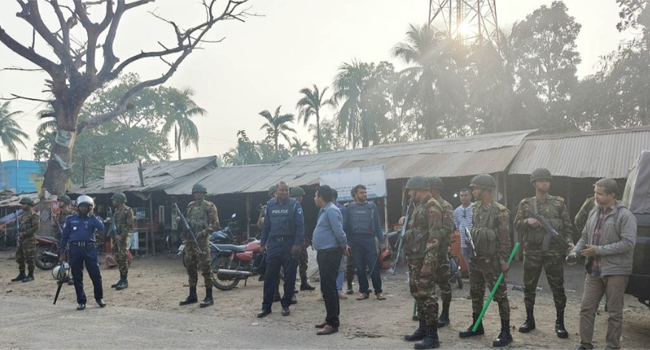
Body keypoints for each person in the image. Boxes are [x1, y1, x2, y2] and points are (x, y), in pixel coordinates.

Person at [568, 178, 637, 350]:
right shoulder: (594, 212)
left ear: (612, 195)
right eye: (595, 193)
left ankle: (612, 346)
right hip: (593, 270)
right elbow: (584, 236)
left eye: (600, 194)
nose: (596, 197)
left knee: (614, 312)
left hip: (615, 271)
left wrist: (598, 250)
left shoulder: (625, 216)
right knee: (586, 308)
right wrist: (575, 251)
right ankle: (585, 344)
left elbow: (628, 243)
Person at [513, 168, 575, 338]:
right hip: (531, 251)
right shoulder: (526, 204)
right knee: (529, 287)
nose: (544, 183)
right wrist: (528, 221)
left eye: (547, 180)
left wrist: (569, 242)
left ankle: (560, 322)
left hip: (553, 252)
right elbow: (516, 224)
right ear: (534, 183)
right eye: (541, 180)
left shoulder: (558, 203)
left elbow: (567, 226)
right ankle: (529, 319)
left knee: (557, 288)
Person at [459, 174, 513, 347]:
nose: (473, 191)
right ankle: (477, 326)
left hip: (493, 260)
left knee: (500, 295)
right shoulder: (474, 208)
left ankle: (506, 332)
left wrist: (504, 260)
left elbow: (505, 239)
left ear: (486, 190)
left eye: (476, 188)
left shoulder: (500, 211)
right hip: (476, 258)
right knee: (475, 293)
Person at [402, 176, 442, 349]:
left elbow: (434, 238)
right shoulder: (419, 207)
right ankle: (423, 328)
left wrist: (428, 262)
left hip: (424, 260)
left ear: (417, 189)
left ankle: (432, 336)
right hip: (414, 258)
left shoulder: (433, 207)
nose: (409, 194)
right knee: (418, 294)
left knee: (428, 297)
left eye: (410, 190)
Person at [258, 181, 305, 318]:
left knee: (289, 277)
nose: (284, 193)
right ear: (276, 191)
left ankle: (285, 304)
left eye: (286, 190)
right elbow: (266, 225)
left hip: (289, 245)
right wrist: (262, 242)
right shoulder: (270, 205)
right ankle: (266, 306)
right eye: (282, 190)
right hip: (274, 245)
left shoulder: (295, 205)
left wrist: (297, 244)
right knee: (269, 277)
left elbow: (300, 226)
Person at [313, 185, 350, 336]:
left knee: (328, 288)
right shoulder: (324, 210)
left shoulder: (332, 210)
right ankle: (331, 318)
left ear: (321, 197)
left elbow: (339, 232)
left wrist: (344, 247)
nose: (314, 198)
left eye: (316, 196)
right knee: (328, 288)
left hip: (331, 253)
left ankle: (332, 323)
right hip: (324, 253)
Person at [59, 195, 106, 310]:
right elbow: (65, 237)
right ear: (78, 207)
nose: (84, 209)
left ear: (90, 208)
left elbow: (101, 228)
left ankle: (99, 298)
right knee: (77, 276)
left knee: (95, 275)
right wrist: (62, 252)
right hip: (75, 249)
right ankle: (81, 301)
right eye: (82, 206)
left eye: (87, 207)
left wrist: (93, 215)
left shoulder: (93, 219)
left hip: (90, 248)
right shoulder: (70, 219)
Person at [178, 183, 219, 308]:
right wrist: (181, 225)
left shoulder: (209, 206)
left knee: (206, 268)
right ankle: (192, 294)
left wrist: (204, 232)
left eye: (200, 193)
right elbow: (186, 222)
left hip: (202, 243)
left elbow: (215, 225)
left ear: (204, 194)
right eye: (196, 193)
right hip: (190, 242)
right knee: (191, 268)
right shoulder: (190, 206)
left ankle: (209, 296)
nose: (198, 195)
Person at [344, 184, 387, 301]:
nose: (364, 194)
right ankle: (364, 291)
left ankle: (378, 291)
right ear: (355, 195)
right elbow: (346, 227)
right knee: (359, 268)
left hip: (369, 240)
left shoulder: (372, 207)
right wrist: (347, 242)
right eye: (361, 193)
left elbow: (378, 225)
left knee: (374, 266)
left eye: (365, 192)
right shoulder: (349, 208)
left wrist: (382, 241)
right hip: (355, 241)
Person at [428, 177, 455, 328]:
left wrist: (432, 237)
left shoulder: (446, 206)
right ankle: (429, 313)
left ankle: (445, 314)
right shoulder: (427, 206)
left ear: (435, 190)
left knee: (444, 283)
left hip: (441, 251)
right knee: (427, 283)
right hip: (428, 251)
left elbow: (447, 229)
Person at [289, 186, 316, 291]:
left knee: (303, 261)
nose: (302, 198)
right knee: (293, 263)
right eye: (300, 196)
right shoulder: (293, 206)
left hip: (301, 240)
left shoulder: (298, 206)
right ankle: (292, 285)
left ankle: (303, 283)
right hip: (295, 241)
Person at [107, 193, 134, 291]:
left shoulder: (128, 210)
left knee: (123, 258)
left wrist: (121, 236)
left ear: (119, 201)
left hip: (122, 238)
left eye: (114, 200)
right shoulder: (116, 211)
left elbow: (130, 225)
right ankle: (121, 278)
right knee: (118, 257)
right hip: (116, 237)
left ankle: (124, 280)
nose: (113, 202)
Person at [11, 197, 40, 283]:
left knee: (29, 257)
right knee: (19, 256)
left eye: (24, 204)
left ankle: (30, 275)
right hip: (22, 239)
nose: (22, 206)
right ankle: (22, 273)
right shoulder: (23, 215)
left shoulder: (34, 214)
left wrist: (24, 233)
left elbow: (35, 227)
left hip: (29, 239)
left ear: (28, 205)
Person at [453, 188, 473, 270]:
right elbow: (457, 225)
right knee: (468, 264)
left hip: (475, 242)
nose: (464, 197)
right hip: (463, 243)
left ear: (470, 196)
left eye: (466, 195)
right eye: (462, 196)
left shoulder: (475, 208)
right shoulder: (456, 211)